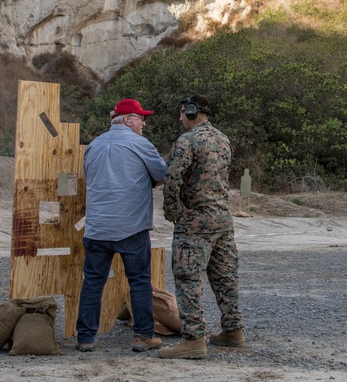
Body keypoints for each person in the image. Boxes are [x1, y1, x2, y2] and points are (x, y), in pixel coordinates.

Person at [77, 98, 167, 353]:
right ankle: (143, 337)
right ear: (128, 120)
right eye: (140, 118)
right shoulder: (140, 144)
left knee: (93, 282)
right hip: (131, 227)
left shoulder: (93, 145)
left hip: (96, 228)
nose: (144, 123)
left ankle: (85, 338)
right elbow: (161, 175)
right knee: (139, 281)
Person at [159, 95, 243, 360]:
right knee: (225, 277)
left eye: (183, 113)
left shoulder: (187, 141)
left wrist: (173, 211)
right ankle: (233, 330)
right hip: (222, 220)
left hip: (194, 221)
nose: (180, 118)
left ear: (193, 112)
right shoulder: (223, 139)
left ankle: (194, 339)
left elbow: (172, 179)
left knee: (187, 278)